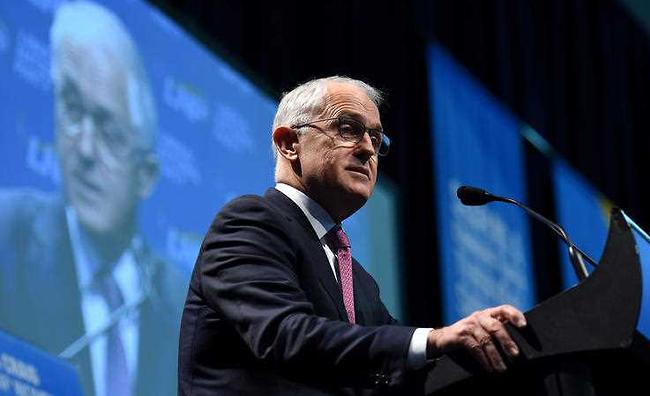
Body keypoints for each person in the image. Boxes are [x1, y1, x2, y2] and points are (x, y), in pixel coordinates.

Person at [178, 76, 527, 395]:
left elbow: (396, 368)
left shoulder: (361, 282)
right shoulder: (251, 222)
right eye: (348, 129)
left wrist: (479, 344)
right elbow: (284, 334)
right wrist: (436, 339)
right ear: (289, 143)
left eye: (376, 138)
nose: (367, 150)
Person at [0, 2, 186, 395]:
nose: (84, 149)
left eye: (110, 132)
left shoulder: (182, 305)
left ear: (146, 176)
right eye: (72, 110)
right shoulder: (6, 232)